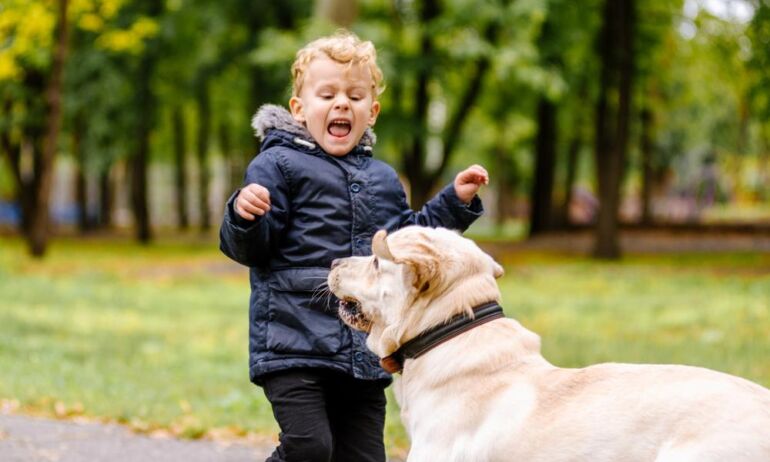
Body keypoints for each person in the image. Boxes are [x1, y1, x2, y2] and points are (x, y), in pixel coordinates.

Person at [219, 30, 489, 462]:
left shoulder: (383, 179)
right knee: (310, 448)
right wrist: (243, 216)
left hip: (363, 348)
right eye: (327, 94)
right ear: (299, 108)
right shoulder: (277, 165)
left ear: (373, 112)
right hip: (295, 345)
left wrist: (454, 204)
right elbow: (251, 250)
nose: (342, 103)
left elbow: (408, 243)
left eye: (355, 96)